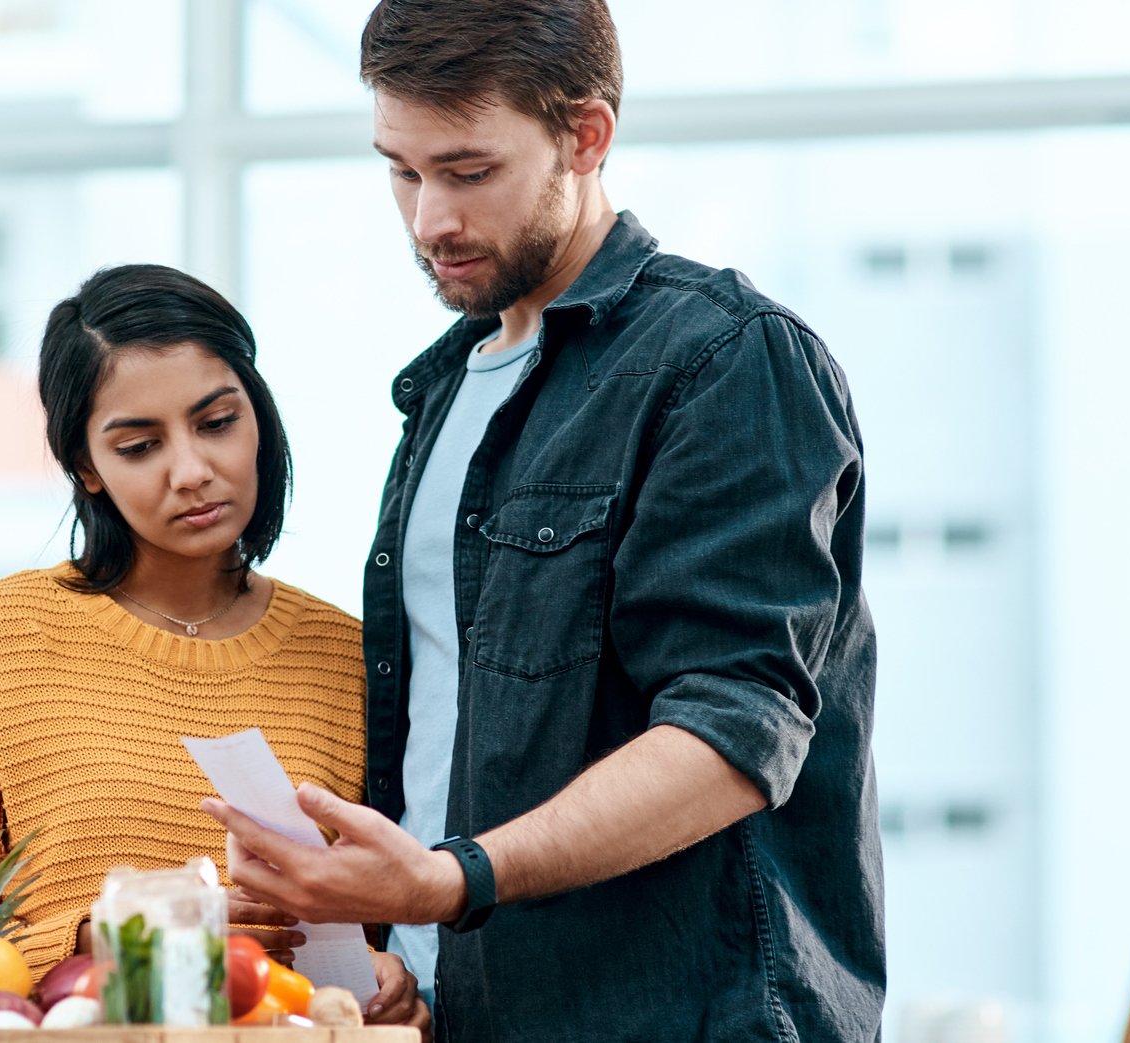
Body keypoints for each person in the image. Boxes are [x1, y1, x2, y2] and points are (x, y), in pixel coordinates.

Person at [201, 3, 884, 1040]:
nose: (428, 218)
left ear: (585, 136)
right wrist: (410, 960)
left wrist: (448, 878)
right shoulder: (442, 393)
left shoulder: (723, 361)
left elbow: (731, 736)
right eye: (401, 169)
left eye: (468, 172)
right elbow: (449, 747)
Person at [0, 263, 428, 1031]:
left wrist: (393, 978)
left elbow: (407, 912)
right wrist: (109, 940)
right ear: (86, 466)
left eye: (218, 422)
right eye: (139, 444)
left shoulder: (354, 660)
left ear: (258, 415)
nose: (192, 471)